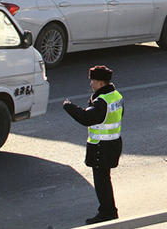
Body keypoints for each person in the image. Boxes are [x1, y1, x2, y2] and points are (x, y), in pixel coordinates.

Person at [62, 65, 123, 225]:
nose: (91, 84)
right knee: (105, 179)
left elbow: (86, 118)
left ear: (101, 83)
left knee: (102, 182)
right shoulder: (116, 96)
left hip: (101, 147)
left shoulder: (102, 102)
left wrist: (69, 106)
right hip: (113, 144)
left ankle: (107, 213)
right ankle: (110, 210)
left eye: (93, 81)